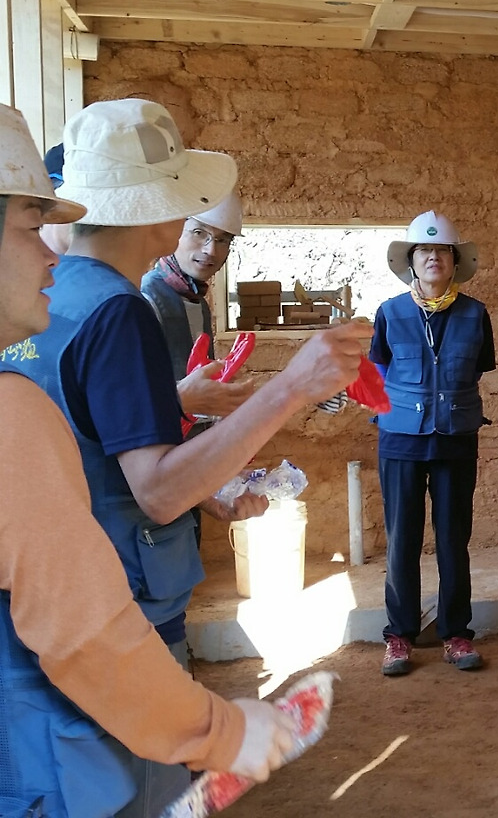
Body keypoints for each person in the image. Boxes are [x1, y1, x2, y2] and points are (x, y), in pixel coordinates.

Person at [3, 98, 372, 816]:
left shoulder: (53, 305)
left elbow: (96, 443)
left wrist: (210, 477)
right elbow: (155, 491)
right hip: (113, 625)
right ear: (166, 210)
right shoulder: (121, 311)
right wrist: (292, 387)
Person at [371, 210, 494, 676]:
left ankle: (456, 633)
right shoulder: (390, 312)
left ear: (454, 261)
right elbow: (380, 367)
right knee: (402, 539)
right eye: (424, 251)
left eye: (441, 250)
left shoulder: (475, 314)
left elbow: (476, 367)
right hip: (401, 439)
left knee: (453, 540)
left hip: (455, 438)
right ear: (411, 261)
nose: (433, 258)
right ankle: (399, 636)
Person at [140, 192, 253, 427]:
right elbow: (129, 397)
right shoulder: (146, 299)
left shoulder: (197, 302)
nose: (211, 251)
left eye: (222, 240)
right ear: (174, 231)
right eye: (199, 233)